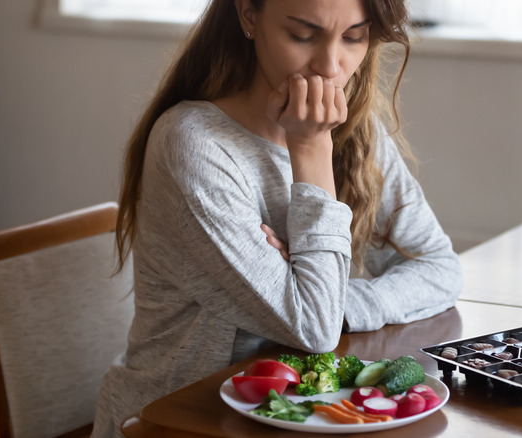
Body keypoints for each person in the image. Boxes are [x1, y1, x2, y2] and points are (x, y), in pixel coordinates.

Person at [91, 0, 462, 436]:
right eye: (303, 35)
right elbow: (314, 330)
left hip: (299, 417)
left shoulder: (358, 127)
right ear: (249, 15)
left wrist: (335, 302)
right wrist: (310, 150)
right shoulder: (193, 145)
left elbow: (439, 267)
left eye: (353, 37)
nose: (329, 67)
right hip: (177, 421)